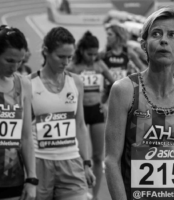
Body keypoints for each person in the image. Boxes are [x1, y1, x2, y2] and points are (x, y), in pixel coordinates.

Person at [105, 7, 174, 200]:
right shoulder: (124, 90)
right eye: (156, 33)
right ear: (143, 44)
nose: (163, 39)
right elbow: (112, 161)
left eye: (173, 35)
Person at [29, 27, 95, 200]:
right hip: (39, 163)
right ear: (46, 52)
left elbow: (80, 124)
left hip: (71, 162)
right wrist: (28, 173)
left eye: (69, 57)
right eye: (60, 56)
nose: (66, 62)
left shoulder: (76, 82)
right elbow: (24, 133)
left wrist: (87, 163)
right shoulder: (28, 84)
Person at [67, 31, 114, 200]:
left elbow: (115, 84)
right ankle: (80, 191)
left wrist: (105, 102)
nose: (93, 57)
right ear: (81, 51)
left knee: (98, 156)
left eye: (95, 54)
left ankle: (93, 196)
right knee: (78, 155)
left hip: (96, 111)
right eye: (89, 54)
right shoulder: (72, 67)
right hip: (78, 112)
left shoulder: (99, 65)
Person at [0, 25, 37, 199]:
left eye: (20, 61)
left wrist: (31, 178)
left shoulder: (23, 84)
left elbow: (27, 136)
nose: (15, 66)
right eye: (9, 60)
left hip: (11, 179)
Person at [100, 24, 147, 102]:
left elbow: (142, 67)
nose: (107, 37)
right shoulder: (104, 52)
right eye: (107, 34)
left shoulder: (127, 51)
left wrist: (138, 80)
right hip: (108, 91)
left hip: (124, 89)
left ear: (118, 36)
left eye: (110, 34)